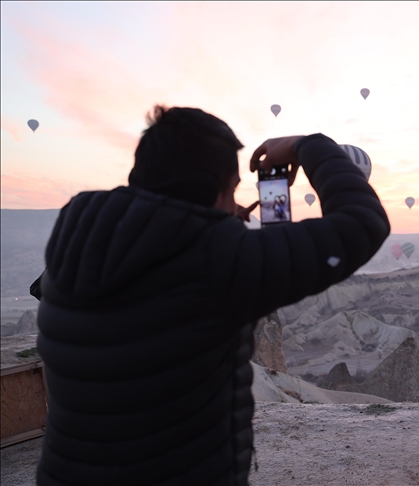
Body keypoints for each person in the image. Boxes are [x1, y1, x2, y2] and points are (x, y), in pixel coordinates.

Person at [34, 106, 390, 486]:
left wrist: (207, 224)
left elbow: (156, 272)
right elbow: (362, 223)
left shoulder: (79, 237)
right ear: (210, 188)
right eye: (232, 188)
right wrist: (309, 145)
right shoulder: (217, 261)